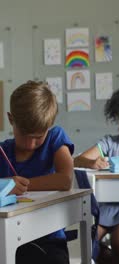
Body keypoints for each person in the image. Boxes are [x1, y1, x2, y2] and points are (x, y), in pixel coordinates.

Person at [0, 81, 74, 264]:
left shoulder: (55, 139)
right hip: (7, 238)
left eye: (38, 137)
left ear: (49, 126)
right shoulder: (3, 151)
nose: (30, 144)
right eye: (24, 135)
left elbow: (65, 180)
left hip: (48, 239)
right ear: (11, 119)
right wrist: (5, 184)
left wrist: (18, 185)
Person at [74, 87, 119, 264]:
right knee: (88, 242)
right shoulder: (109, 143)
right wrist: (92, 163)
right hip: (106, 207)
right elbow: (77, 160)